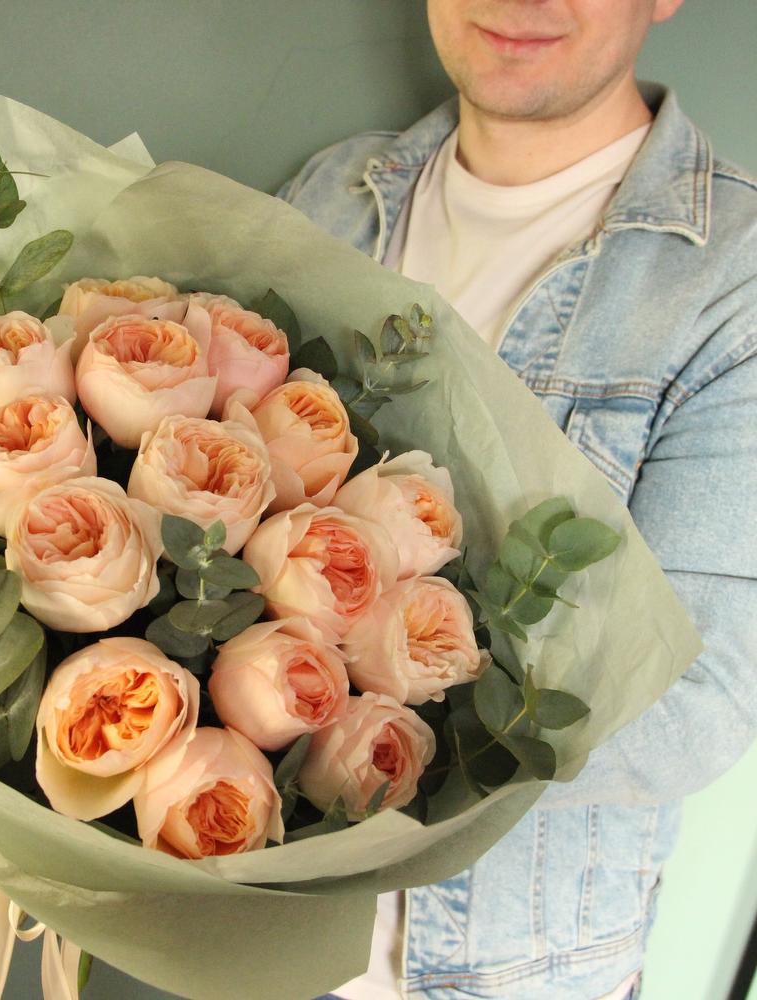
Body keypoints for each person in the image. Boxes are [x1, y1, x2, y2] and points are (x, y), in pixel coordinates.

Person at [280, 2, 757, 998]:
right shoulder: (327, 197)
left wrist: (297, 693)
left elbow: (693, 701)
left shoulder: (733, 283)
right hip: (262, 947)